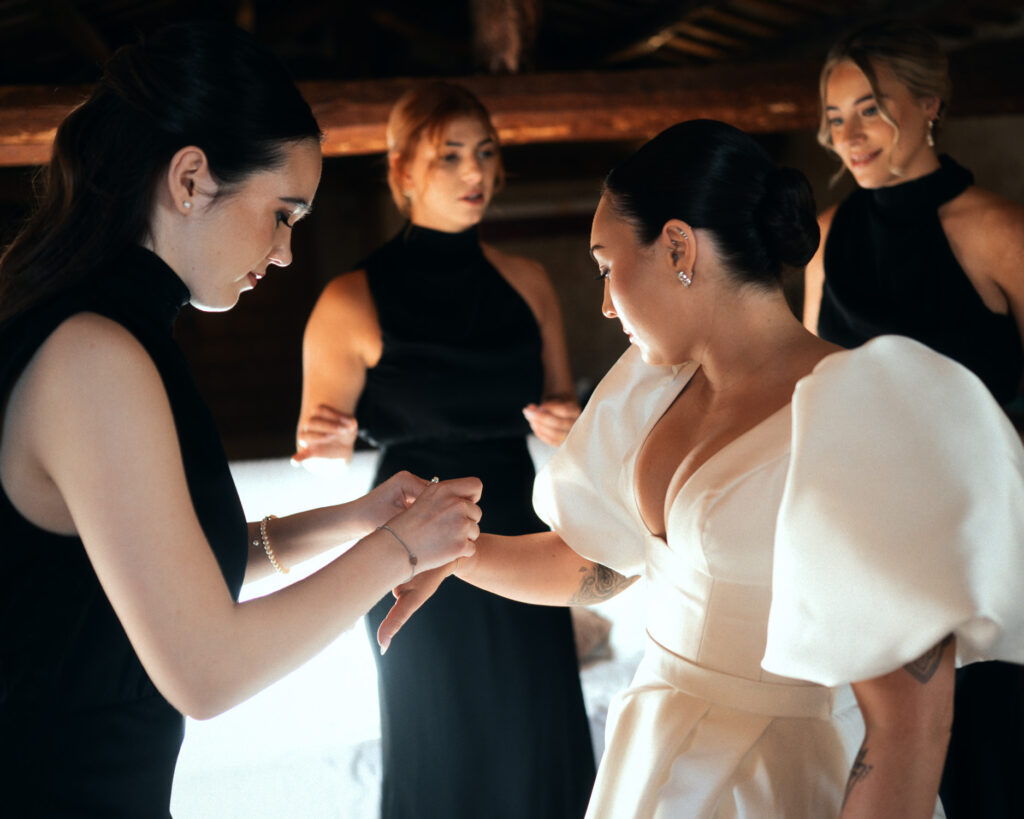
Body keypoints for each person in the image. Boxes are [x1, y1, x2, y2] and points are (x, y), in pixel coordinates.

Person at [378, 119, 1024, 818]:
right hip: (655, 748)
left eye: (606, 265)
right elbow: (597, 562)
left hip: (780, 771)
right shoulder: (649, 384)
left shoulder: (860, 408)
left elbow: (908, 725)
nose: (602, 300)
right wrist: (460, 553)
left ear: (678, 246)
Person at [0, 24, 480, 817]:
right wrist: (399, 551)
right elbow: (205, 671)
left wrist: (354, 521)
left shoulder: (110, 334)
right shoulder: (93, 354)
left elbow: (167, 568)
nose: (288, 252)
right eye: (283, 213)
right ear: (191, 178)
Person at [295, 80, 595, 819]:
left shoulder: (528, 283)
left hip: (524, 531)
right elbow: (320, 450)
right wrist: (326, 442)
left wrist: (567, 420)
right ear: (401, 171)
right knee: (441, 733)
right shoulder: (349, 297)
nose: (474, 173)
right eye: (449, 155)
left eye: (485, 153)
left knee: (538, 726)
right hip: (408, 530)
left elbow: (563, 412)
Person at [804, 21, 1024, 817]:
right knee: (888, 746)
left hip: (982, 532)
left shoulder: (998, 229)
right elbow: (808, 386)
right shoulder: (825, 238)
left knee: (992, 744)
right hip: (869, 531)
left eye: (870, 109)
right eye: (835, 116)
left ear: (929, 105)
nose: (849, 134)